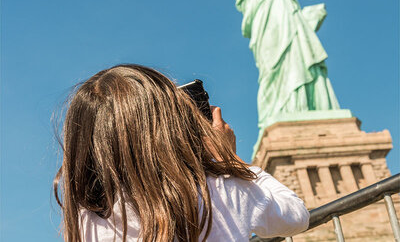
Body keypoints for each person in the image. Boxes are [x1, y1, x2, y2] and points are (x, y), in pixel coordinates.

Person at [53, 64, 309, 242]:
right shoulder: (219, 189)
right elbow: (295, 216)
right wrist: (228, 160)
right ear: (170, 124)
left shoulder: (86, 218)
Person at [223, 0, 340, 156]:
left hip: (294, 37)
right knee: (272, 75)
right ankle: (278, 111)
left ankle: (304, 109)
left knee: (298, 64)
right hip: (267, 39)